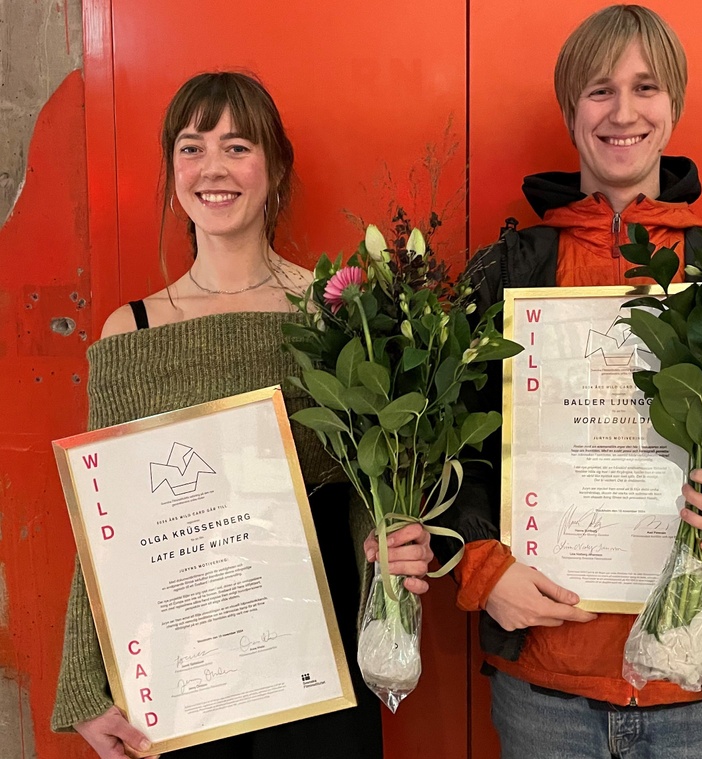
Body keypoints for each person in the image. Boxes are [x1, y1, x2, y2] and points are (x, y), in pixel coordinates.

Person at [444, 6, 702, 758]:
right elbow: (449, 455)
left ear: (674, 105)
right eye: (598, 90)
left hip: (700, 691)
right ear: (568, 109)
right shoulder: (507, 272)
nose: (623, 112)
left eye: (646, 87)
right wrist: (486, 569)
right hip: (547, 690)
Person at [50, 71, 434, 759]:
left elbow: (364, 484)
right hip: (181, 666)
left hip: (318, 654)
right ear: (172, 170)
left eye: (237, 146)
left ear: (275, 167)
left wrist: (386, 549)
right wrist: (85, 683)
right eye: (191, 147)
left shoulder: (339, 316)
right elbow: (106, 525)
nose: (212, 168)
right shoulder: (127, 333)